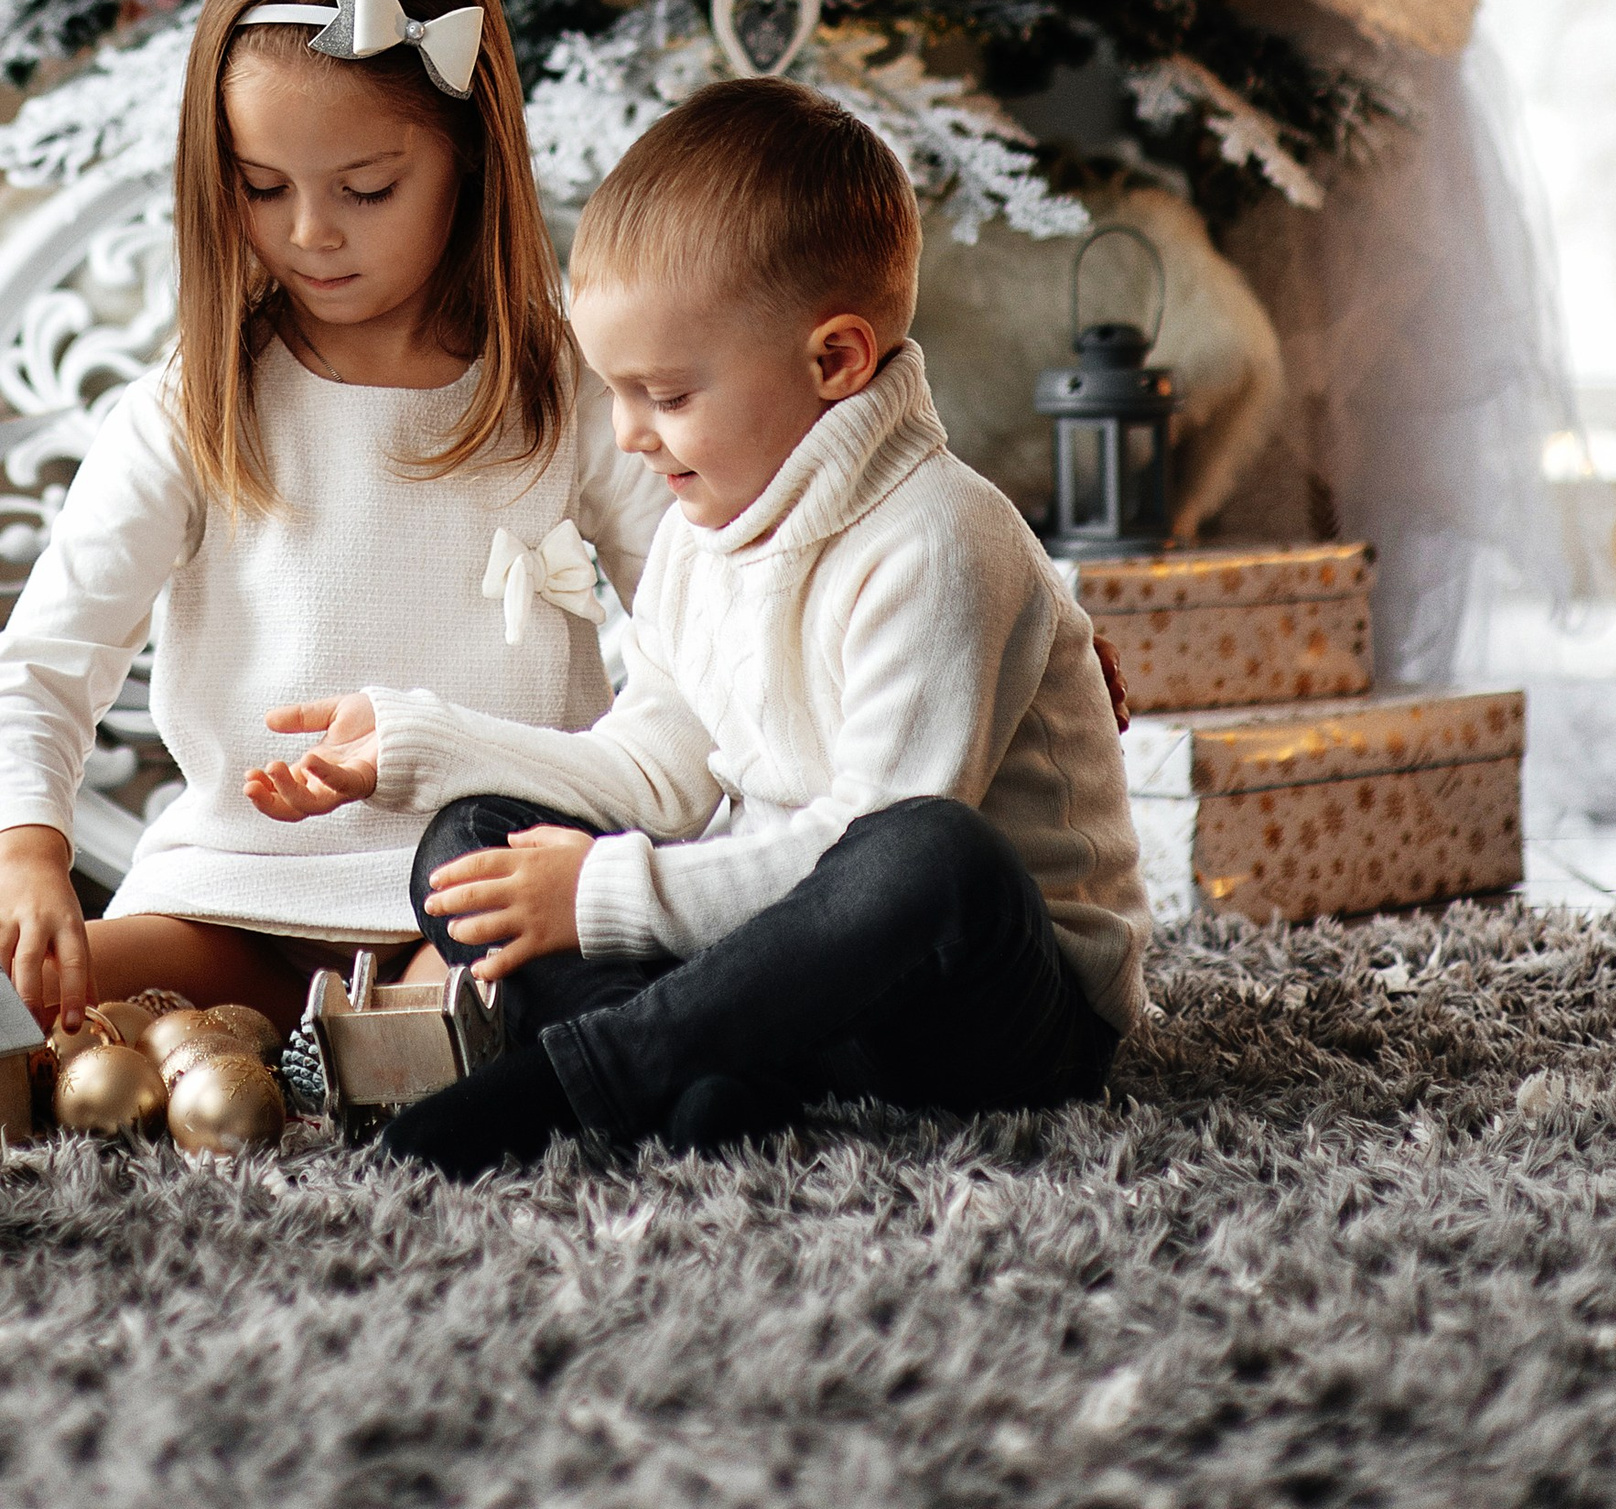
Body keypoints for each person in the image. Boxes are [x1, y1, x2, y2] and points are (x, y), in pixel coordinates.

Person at [245, 75, 1150, 1171]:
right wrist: (420, 743)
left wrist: (610, 894)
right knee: (468, 845)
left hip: (984, 1014)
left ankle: (595, 1070)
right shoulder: (701, 529)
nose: (628, 434)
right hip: (788, 985)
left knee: (927, 848)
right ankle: (712, 1073)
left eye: (665, 394)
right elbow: (660, 770)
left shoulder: (942, 540)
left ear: (834, 360)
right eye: (614, 392)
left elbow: (863, 847)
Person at [0, 0, 666, 1032]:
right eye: (261, 186)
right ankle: (309, 1048)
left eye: (366, 189)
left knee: (513, 1003)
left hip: (483, 896)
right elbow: (43, 661)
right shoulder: (196, 404)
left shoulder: (564, 387)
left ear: (470, 156)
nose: (309, 233)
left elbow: (703, 623)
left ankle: (374, 1047)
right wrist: (27, 855)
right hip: (238, 903)